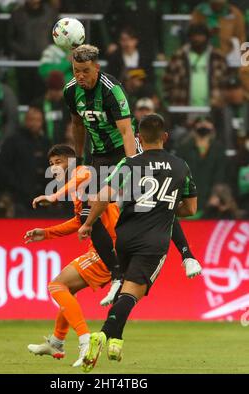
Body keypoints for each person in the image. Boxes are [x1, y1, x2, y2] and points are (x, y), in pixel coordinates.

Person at [78, 114, 198, 372]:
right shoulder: (181, 166)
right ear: (165, 137)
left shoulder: (130, 162)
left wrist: (88, 224)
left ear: (139, 138)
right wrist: (165, 207)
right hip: (153, 240)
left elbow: (104, 196)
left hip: (125, 237)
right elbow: (190, 208)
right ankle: (104, 333)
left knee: (128, 289)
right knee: (134, 292)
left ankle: (117, 341)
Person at [25, 144, 118, 367]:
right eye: (51, 164)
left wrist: (55, 195)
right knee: (67, 289)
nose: (55, 168)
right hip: (102, 249)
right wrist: (46, 233)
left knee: (56, 286)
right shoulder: (78, 189)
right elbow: (79, 222)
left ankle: (85, 341)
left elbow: (85, 172)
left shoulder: (83, 172)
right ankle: (56, 341)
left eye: (59, 162)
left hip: (110, 249)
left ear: (72, 161)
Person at [64, 44, 137, 303]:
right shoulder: (71, 91)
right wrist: (80, 160)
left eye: (85, 71)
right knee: (88, 218)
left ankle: (185, 255)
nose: (80, 76)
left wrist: (132, 165)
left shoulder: (111, 91)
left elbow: (127, 132)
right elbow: (77, 124)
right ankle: (117, 275)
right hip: (98, 156)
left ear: (96, 67)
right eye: (76, 70)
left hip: (123, 153)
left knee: (133, 209)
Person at [0, 106, 50, 217]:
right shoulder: (13, 141)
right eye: (31, 120)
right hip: (19, 198)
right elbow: (2, 167)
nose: (35, 123)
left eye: (38, 120)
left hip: (42, 197)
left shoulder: (46, 142)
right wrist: (15, 186)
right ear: (25, 121)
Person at [163, 23, 228, 107]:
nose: (197, 39)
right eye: (194, 35)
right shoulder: (178, 56)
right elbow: (167, 81)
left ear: (207, 37)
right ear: (189, 37)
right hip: (183, 108)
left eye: (201, 35)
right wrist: (173, 100)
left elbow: (226, 82)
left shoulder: (218, 57)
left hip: (214, 109)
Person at [7, 0, 58, 104]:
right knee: (24, 94)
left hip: (45, 61)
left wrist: (50, 50)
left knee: (42, 95)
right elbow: (9, 37)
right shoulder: (17, 13)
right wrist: (21, 51)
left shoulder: (51, 13)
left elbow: (57, 35)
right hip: (23, 62)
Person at [177, 117, 227, 215]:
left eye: (207, 122)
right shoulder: (184, 148)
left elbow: (221, 174)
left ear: (213, 127)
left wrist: (216, 195)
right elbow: (179, 173)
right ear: (194, 126)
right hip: (188, 195)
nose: (204, 125)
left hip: (211, 197)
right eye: (200, 122)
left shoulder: (219, 149)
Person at [32, 71, 70, 146]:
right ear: (50, 89)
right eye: (57, 90)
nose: (60, 93)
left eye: (61, 90)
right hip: (42, 147)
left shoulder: (67, 104)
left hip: (63, 148)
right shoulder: (38, 104)